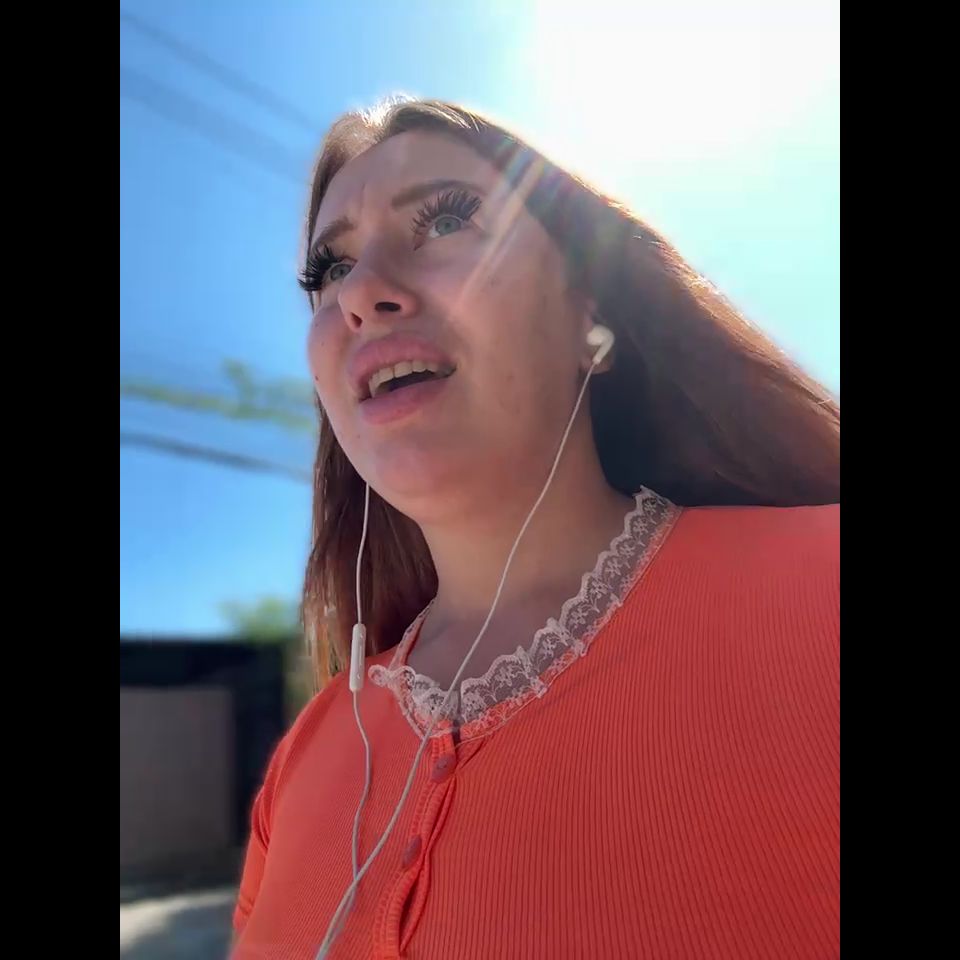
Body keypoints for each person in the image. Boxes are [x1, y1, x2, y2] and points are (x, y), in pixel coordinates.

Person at [231, 97, 840, 960]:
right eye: (330, 269)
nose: (360, 292)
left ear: (589, 306)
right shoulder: (308, 754)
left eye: (447, 219)